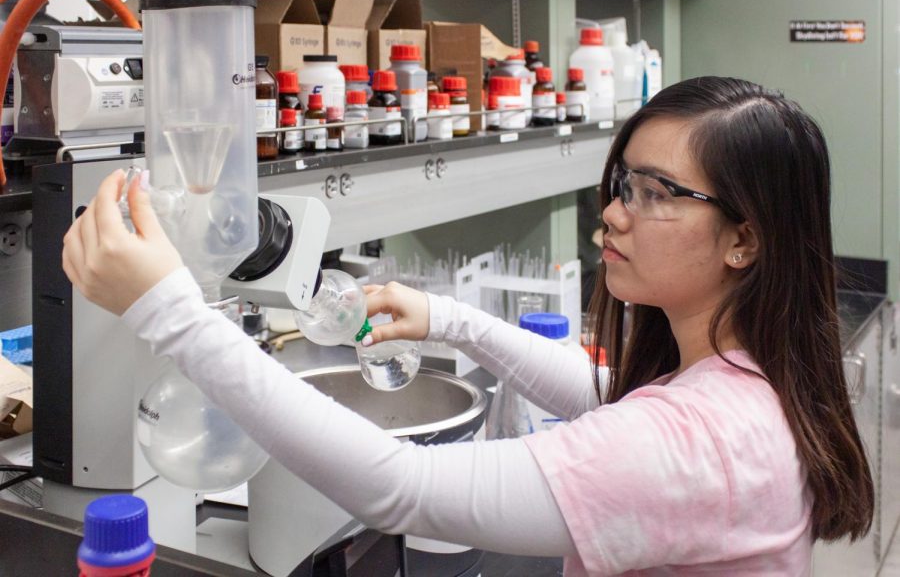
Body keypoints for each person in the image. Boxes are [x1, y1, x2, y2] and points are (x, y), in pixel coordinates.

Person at [62, 77, 873, 575]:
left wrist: (167, 310)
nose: (615, 213)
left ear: (745, 238)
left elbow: (402, 487)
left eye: (657, 192)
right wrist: (451, 322)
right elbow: (609, 401)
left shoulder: (701, 442)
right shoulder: (746, 378)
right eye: (623, 183)